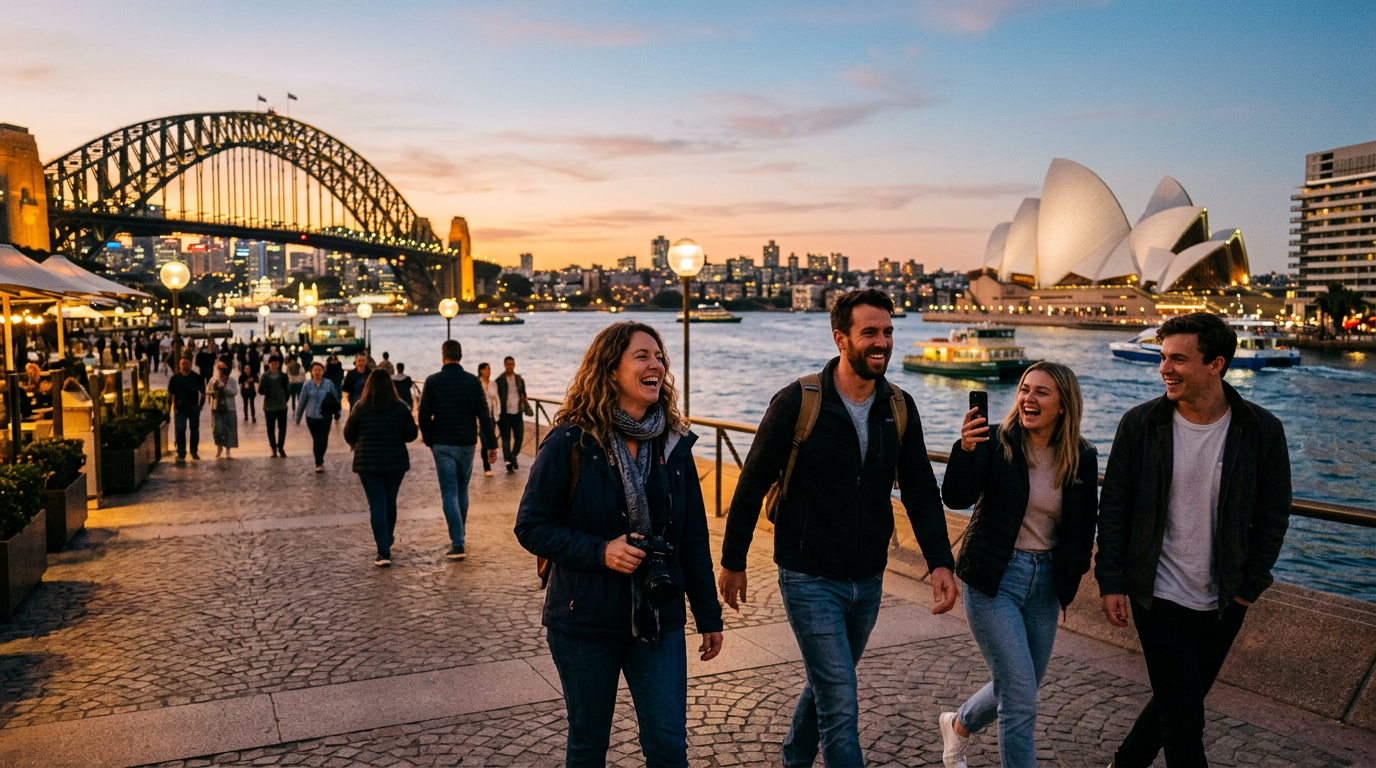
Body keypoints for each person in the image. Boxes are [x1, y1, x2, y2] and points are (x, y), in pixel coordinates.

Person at [718, 288, 958, 768]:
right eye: (869, 332)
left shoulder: (900, 406)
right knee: (841, 703)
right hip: (808, 576)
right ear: (840, 339)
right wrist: (733, 560)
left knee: (829, 682)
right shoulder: (798, 400)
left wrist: (939, 562)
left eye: (888, 332)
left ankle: (794, 758)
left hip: (868, 577)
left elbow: (920, 490)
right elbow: (752, 482)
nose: (882, 342)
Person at [514, 321, 723, 768]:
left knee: (668, 747)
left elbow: (692, 539)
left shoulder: (675, 445)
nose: (657, 365)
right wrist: (601, 551)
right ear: (610, 370)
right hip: (584, 620)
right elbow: (531, 526)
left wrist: (708, 614)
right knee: (588, 746)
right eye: (642, 356)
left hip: (658, 618)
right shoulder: (571, 441)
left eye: (659, 357)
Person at [1097, 313, 1292, 768]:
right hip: (1157, 592)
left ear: (1216, 364)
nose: (1164, 368)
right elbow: (1115, 508)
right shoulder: (1139, 424)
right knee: (1185, 719)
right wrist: (1111, 579)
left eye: (1178, 359)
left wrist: (1249, 588)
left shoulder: (1262, 431)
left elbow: (1272, 515)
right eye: (1163, 357)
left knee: (1175, 700)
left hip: (1224, 599)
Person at [937, 362, 1099, 768]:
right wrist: (966, 448)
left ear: (1064, 404)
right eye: (1025, 389)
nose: (1029, 398)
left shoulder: (1082, 455)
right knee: (1021, 699)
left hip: (1045, 583)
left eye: (1042, 392)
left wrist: (1073, 572)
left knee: (1018, 685)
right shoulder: (995, 441)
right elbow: (955, 497)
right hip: (994, 579)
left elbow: (1083, 525)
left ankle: (958, 725)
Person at [417, 340, 498, 560]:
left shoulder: (433, 381)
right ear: (460, 356)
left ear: (443, 355)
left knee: (449, 491)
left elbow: (423, 415)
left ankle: (458, 541)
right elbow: (484, 415)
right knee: (462, 490)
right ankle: (460, 535)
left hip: (442, 443)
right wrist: (491, 444)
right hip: (467, 443)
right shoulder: (473, 382)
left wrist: (429, 438)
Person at [344, 369, 418, 567]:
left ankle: (383, 551)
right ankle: (388, 535)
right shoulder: (400, 407)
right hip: (395, 463)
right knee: (390, 501)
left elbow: (348, 433)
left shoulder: (360, 407)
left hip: (367, 464)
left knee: (377, 505)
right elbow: (411, 434)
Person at [296, 361, 340, 473]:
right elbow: (302, 401)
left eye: (319, 370)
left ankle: (320, 458)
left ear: (323, 371)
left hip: (325, 416)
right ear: (311, 372)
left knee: (324, 440)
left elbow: (335, 398)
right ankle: (319, 463)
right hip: (311, 417)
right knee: (317, 440)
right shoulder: (307, 385)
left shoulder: (329, 383)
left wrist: (337, 412)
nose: (317, 372)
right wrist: (298, 417)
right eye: (315, 370)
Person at [167, 357, 206, 462]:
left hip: (193, 408)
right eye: (182, 363)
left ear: (190, 364)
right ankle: (181, 452)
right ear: (180, 365)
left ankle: (194, 451)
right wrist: (172, 407)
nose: (185, 366)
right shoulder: (175, 378)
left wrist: (200, 407)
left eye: (187, 363)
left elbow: (203, 393)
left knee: (194, 430)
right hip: (180, 409)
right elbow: (171, 394)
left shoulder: (197, 377)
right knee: (180, 430)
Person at [495, 355, 528, 472]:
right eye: (508, 364)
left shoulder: (519, 379)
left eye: (512, 364)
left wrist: (524, 402)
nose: (510, 366)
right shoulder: (499, 381)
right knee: (505, 438)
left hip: (517, 412)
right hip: (504, 413)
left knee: (519, 436)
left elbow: (524, 393)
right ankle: (508, 461)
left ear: (514, 365)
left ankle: (513, 455)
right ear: (504, 365)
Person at [260, 355, 291, 457]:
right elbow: (261, 391)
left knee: (282, 428)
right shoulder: (265, 376)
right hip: (269, 407)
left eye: (276, 364)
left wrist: (284, 400)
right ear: (269, 364)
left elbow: (287, 390)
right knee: (270, 428)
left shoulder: (283, 376)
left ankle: (281, 446)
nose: (274, 366)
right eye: (272, 364)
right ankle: (273, 447)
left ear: (279, 364)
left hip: (281, 406)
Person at [209, 361, 239, 459]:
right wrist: (215, 391)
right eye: (219, 369)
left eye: (222, 369)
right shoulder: (213, 380)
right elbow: (208, 391)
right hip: (216, 408)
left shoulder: (232, 381)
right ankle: (219, 447)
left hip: (229, 408)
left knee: (229, 429)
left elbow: (235, 392)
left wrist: (225, 388)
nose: (220, 371)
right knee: (217, 429)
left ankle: (228, 450)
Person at [477, 362, 501, 477]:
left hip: (491, 417)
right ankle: (487, 466)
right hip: (480, 418)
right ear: (481, 370)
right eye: (487, 369)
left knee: (490, 440)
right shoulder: (477, 383)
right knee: (485, 443)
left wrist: (497, 415)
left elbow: (497, 399)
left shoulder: (493, 384)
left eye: (490, 369)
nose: (489, 371)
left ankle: (488, 463)